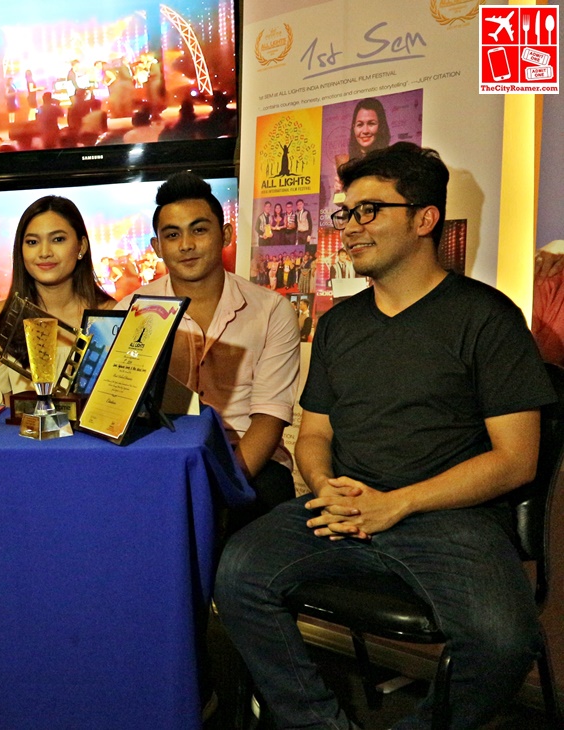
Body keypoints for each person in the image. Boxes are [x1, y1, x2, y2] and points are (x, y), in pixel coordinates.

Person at [216, 143, 555, 729]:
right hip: (344, 506)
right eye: (346, 214)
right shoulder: (341, 323)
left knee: (503, 643)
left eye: (370, 211)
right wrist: (325, 487)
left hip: (449, 517)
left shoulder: (486, 316)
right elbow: (314, 434)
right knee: (238, 576)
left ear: (425, 219)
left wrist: (396, 504)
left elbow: (517, 460)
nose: (350, 228)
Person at [121, 172, 300, 519]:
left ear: (226, 234)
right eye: (172, 235)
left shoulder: (271, 310)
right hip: (160, 460)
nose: (186, 244)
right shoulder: (131, 311)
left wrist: (222, 483)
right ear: (157, 247)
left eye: (199, 229)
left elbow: (269, 417)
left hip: (249, 462)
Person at [0, 196, 115, 399]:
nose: (44, 252)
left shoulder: (110, 316)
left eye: (58, 239)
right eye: (32, 242)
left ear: (81, 246)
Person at [334, 97, 391, 170]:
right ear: (354, 127)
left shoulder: (391, 160)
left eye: (371, 123)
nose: (365, 131)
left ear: (381, 126)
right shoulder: (345, 164)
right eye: (360, 125)